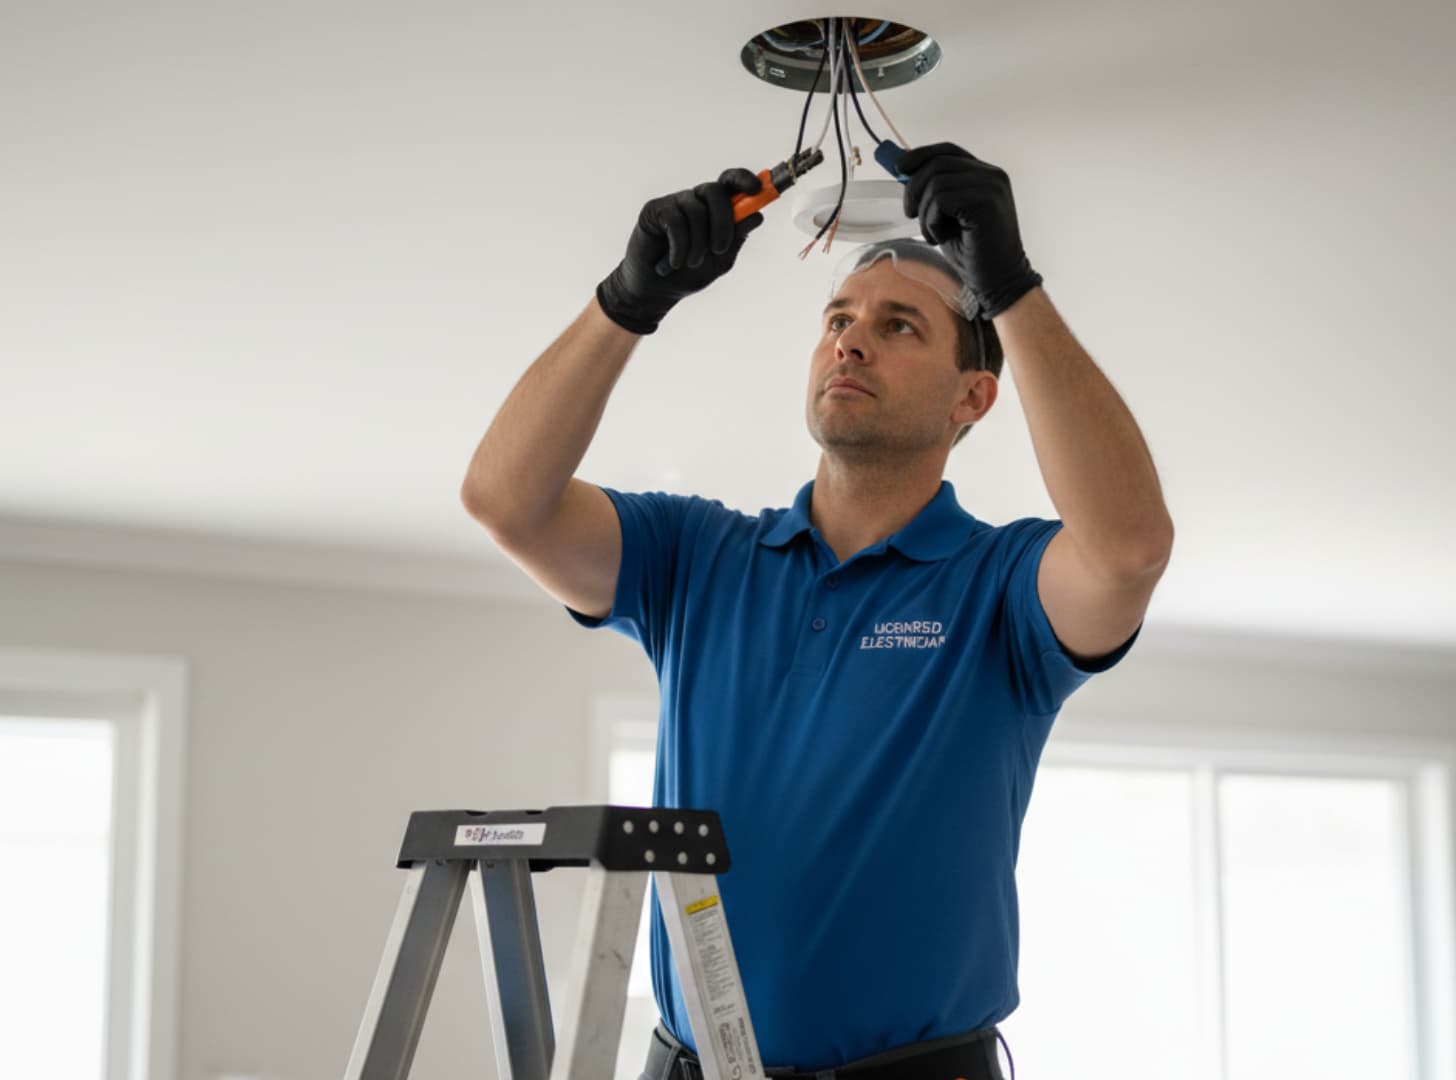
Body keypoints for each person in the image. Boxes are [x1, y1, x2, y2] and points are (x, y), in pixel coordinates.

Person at [460, 144, 1175, 1080]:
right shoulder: (699, 559)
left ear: (974, 396)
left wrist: (1010, 287)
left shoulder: (998, 584)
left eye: (901, 326)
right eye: (838, 318)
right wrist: (626, 303)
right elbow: (504, 501)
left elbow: (1127, 550)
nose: (851, 339)